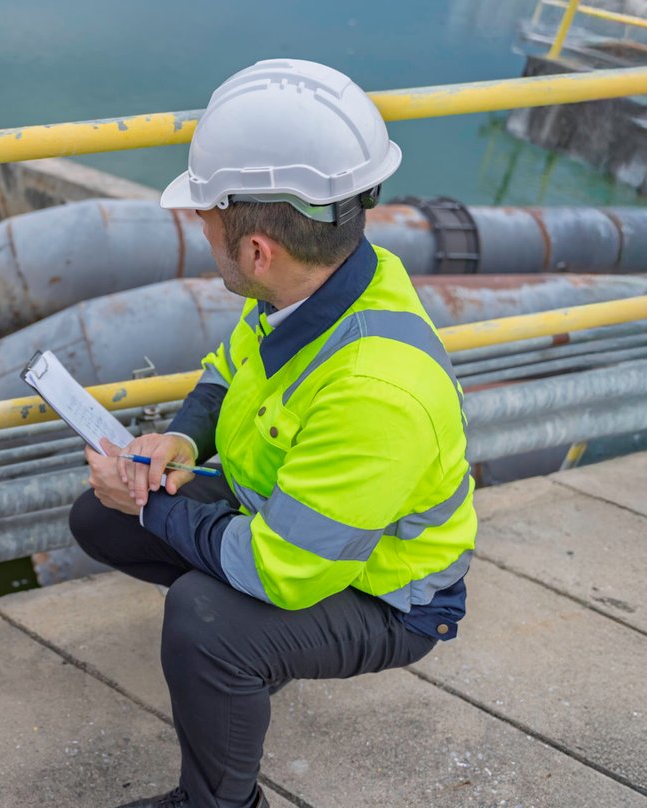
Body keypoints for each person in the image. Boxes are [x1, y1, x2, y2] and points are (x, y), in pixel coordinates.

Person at [69, 59, 475, 808]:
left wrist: (151, 507)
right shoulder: (318, 283)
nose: (201, 227)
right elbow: (229, 368)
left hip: (388, 594)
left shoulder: (376, 393)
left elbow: (281, 571)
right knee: (99, 516)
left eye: (207, 217)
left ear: (258, 250)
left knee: (206, 620)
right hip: (294, 526)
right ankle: (261, 655)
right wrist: (181, 445)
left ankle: (221, 800)